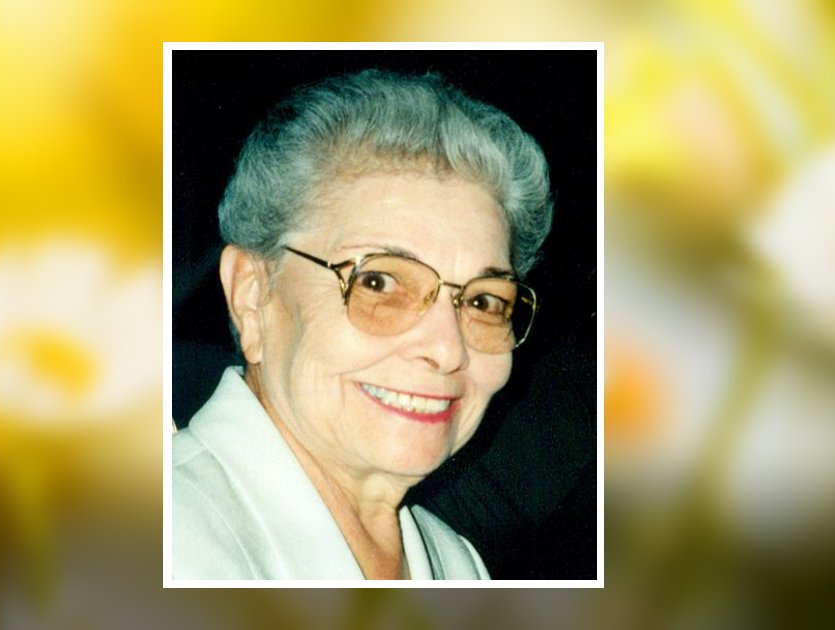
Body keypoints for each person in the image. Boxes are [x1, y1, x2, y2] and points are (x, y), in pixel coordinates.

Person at [171, 69, 554, 580]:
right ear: (252, 294)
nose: (447, 350)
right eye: (378, 282)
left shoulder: (458, 563)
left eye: (484, 301)